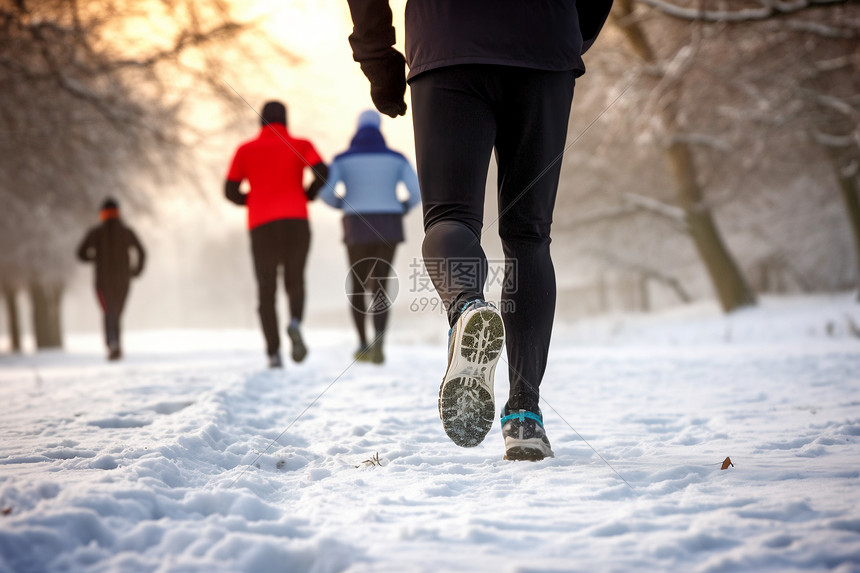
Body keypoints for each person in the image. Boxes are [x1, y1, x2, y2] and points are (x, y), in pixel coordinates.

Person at [345, 1, 614, 460]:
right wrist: (569, 26)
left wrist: (377, 54)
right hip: (545, 46)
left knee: (450, 217)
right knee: (529, 236)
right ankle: (524, 416)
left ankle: (467, 305)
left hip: (447, 43)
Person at [224, 100, 328, 369]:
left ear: (261, 121)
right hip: (296, 221)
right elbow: (323, 172)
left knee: (266, 288)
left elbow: (230, 190)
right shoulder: (301, 144)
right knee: (295, 280)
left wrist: (252, 200)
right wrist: (308, 194)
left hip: (262, 225)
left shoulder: (245, 150)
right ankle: (294, 322)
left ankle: (273, 352)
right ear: (285, 120)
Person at [319, 109, 421, 364]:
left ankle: (363, 344)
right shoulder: (397, 158)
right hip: (389, 224)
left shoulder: (342, 159)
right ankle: (379, 344)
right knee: (380, 285)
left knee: (357, 285)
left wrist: (341, 203)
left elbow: (325, 192)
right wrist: (403, 206)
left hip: (356, 224)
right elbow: (416, 191)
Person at [76, 197, 146, 361]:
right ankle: (115, 345)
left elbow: (80, 254)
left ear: (103, 213)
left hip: (102, 281)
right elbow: (142, 252)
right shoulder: (126, 232)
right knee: (116, 313)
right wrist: (136, 271)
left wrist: (93, 258)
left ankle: (113, 344)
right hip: (123, 280)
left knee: (109, 312)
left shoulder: (97, 233)